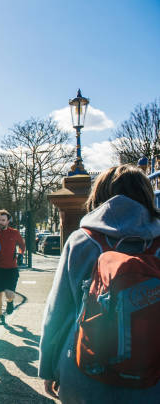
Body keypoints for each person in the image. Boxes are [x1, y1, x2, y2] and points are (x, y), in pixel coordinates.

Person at [39, 164, 160, 402]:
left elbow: (58, 311)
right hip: (151, 379)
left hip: (84, 375)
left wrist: (48, 367)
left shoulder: (82, 241)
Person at [0, 209, 25, 325]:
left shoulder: (14, 233)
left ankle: (10, 302)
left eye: (3, 220)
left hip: (11, 268)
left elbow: (22, 245)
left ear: (8, 221)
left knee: (9, 294)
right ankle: (0, 315)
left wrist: (20, 254)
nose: (0, 222)